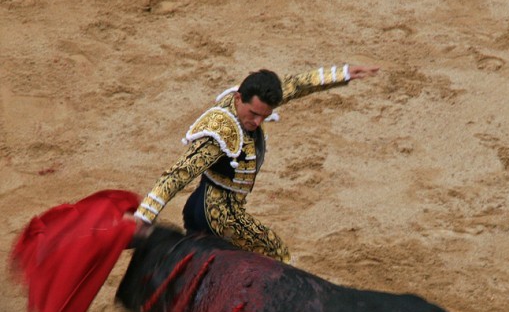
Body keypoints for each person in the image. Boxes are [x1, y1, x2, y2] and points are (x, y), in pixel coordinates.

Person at [132, 64, 379, 261]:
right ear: (239, 98)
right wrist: (144, 215)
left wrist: (344, 72)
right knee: (276, 252)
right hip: (218, 215)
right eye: (254, 114)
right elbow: (178, 174)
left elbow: (296, 84)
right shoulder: (220, 133)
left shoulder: (255, 100)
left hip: (202, 203)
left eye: (265, 115)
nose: (258, 122)